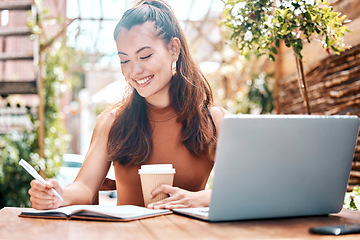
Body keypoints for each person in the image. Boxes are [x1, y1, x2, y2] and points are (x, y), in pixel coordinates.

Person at [29, 0, 228, 210]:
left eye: (145, 56)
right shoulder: (113, 121)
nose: (135, 71)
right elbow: (84, 188)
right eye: (125, 60)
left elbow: (248, 191)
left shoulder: (214, 121)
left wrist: (199, 199)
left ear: (174, 49)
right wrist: (59, 195)